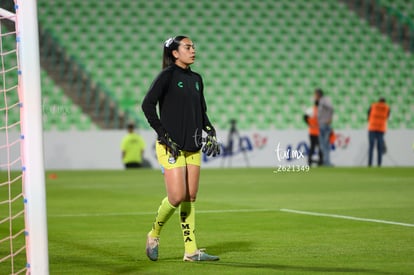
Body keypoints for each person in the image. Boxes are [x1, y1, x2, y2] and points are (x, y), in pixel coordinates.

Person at [141, 35, 220, 262]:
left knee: (190, 196)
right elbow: (147, 105)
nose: (193, 50)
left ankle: (191, 251)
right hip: (171, 146)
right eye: (187, 47)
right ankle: (153, 234)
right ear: (175, 53)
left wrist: (210, 129)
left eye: (193, 46)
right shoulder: (167, 76)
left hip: (192, 146)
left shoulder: (196, 78)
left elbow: (201, 110)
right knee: (176, 196)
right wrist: (163, 135)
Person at [367, 97, 390, 167]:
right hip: (381, 129)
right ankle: (379, 164)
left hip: (372, 128)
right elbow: (387, 117)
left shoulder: (373, 106)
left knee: (371, 147)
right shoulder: (387, 108)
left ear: (379, 101)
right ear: (384, 102)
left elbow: (368, 115)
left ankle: (369, 164)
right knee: (380, 148)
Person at [314, 88, 334, 166]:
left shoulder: (324, 100)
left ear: (318, 94)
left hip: (324, 125)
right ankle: (326, 161)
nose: (314, 96)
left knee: (325, 144)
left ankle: (327, 162)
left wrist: (329, 119)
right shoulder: (321, 101)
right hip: (322, 125)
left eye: (315, 94)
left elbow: (331, 108)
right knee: (323, 145)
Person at [303, 99, 323, 166]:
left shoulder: (311, 110)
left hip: (312, 132)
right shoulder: (320, 111)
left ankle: (309, 161)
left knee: (312, 147)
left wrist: (309, 124)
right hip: (318, 132)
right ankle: (321, 161)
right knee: (320, 147)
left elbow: (305, 117)